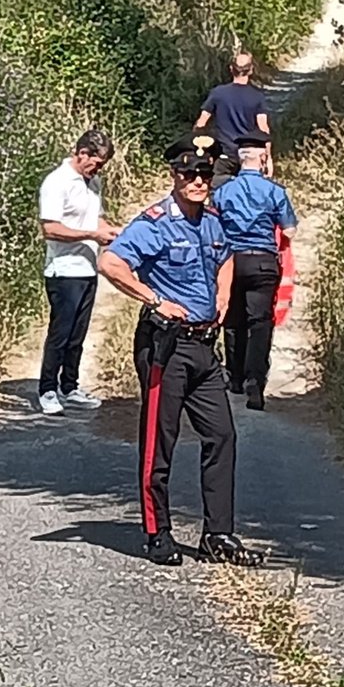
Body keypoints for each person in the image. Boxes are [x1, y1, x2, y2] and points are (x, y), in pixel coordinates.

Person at [99, 134, 264, 568]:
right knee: (160, 443)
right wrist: (153, 299)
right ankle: (158, 532)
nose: (197, 180)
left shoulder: (211, 219)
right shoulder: (155, 222)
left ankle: (218, 535)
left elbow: (226, 256)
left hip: (204, 349)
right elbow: (111, 263)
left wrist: (223, 297)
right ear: (174, 176)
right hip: (165, 346)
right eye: (189, 173)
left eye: (204, 173)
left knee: (222, 435)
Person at [37, 129, 121, 416]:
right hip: (63, 271)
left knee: (78, 334)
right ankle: (47, 389)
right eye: (95, 163)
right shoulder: (57, 183)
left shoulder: (93, 182)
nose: (97, 170)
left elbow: (94, 218)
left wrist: (109, 230)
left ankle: (69, 386)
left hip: (87, 268)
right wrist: (90, 235)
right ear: (81, 153)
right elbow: (50, 228)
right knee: (60, 333)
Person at [214, 128, 298, 410]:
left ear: (239, 160)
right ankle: (255, 383)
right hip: (263, 262)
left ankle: (234, 376)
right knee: (260, 323)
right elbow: (290, 229)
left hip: (231, 261)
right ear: (262, 159)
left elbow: (213, 224)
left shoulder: (223, 191)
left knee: (233, 319)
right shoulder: (274, 191)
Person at [195, 53, 272, 188]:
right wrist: (268, 158)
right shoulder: (257, 97)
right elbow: (263, 129)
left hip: (223, 155)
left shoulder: (218, 93)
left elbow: (201, 123)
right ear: (251, 70)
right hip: (249, 156)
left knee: (217, 193)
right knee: (249, 193)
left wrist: (199, 148)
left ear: (231, 69)